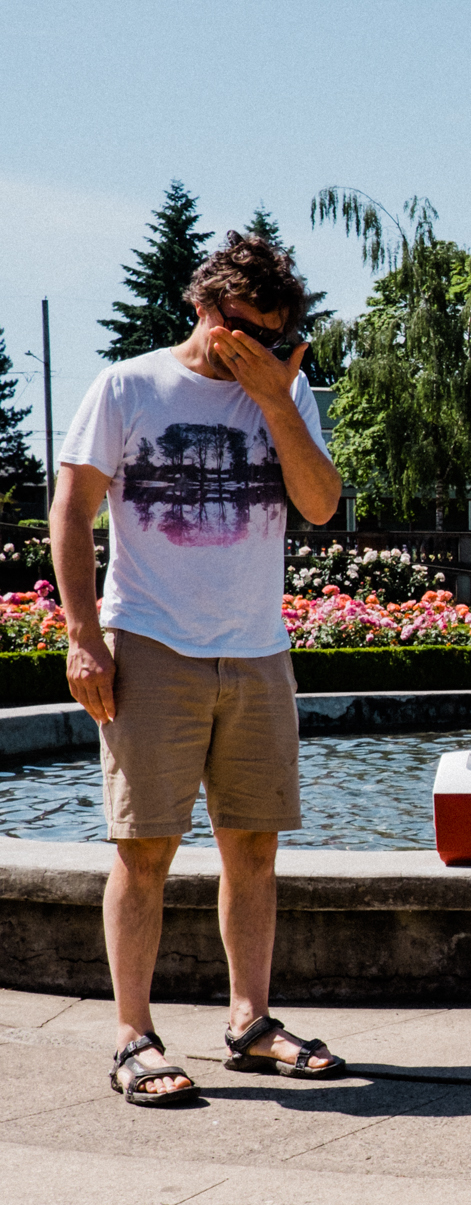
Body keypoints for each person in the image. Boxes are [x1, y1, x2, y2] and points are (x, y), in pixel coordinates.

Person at [51, 231, 349, 1106]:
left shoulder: (282, 395)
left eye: (277, 336)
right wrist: (80, 633)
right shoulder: (127, 385)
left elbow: (322, 505)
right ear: (207, 311)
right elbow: (71, 511)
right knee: (144, 849)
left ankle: (250, 1023)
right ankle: (132, 1036)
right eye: (250, 332)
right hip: (150, 641)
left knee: (253, 846)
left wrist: (277, 397)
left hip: (258, 647)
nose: (264, 349)